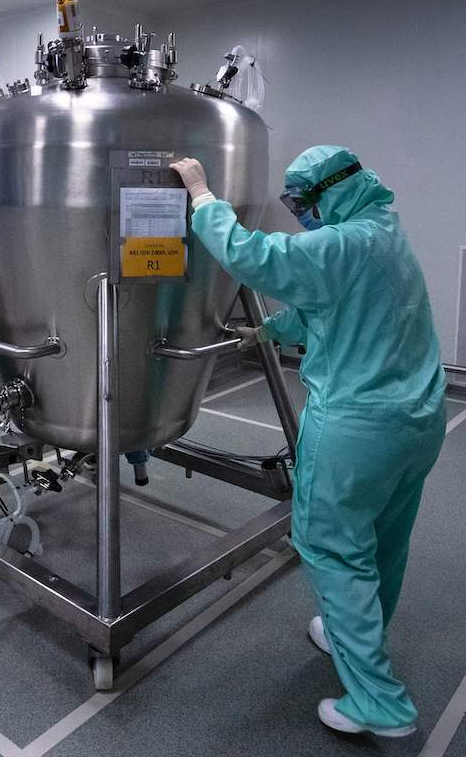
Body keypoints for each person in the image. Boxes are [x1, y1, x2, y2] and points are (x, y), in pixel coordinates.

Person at [170, 146, 446, 738]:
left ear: (334, 188)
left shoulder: (339, 245)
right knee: (382, 539)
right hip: (419, 420)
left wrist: (200, 194)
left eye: (301, 201)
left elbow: (254, 256)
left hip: (357, 426)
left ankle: (378, 701)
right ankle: (356, 633)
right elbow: (334, 304)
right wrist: (268, 329)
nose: (299, 214)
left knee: (331, 546)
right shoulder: (382, 234)